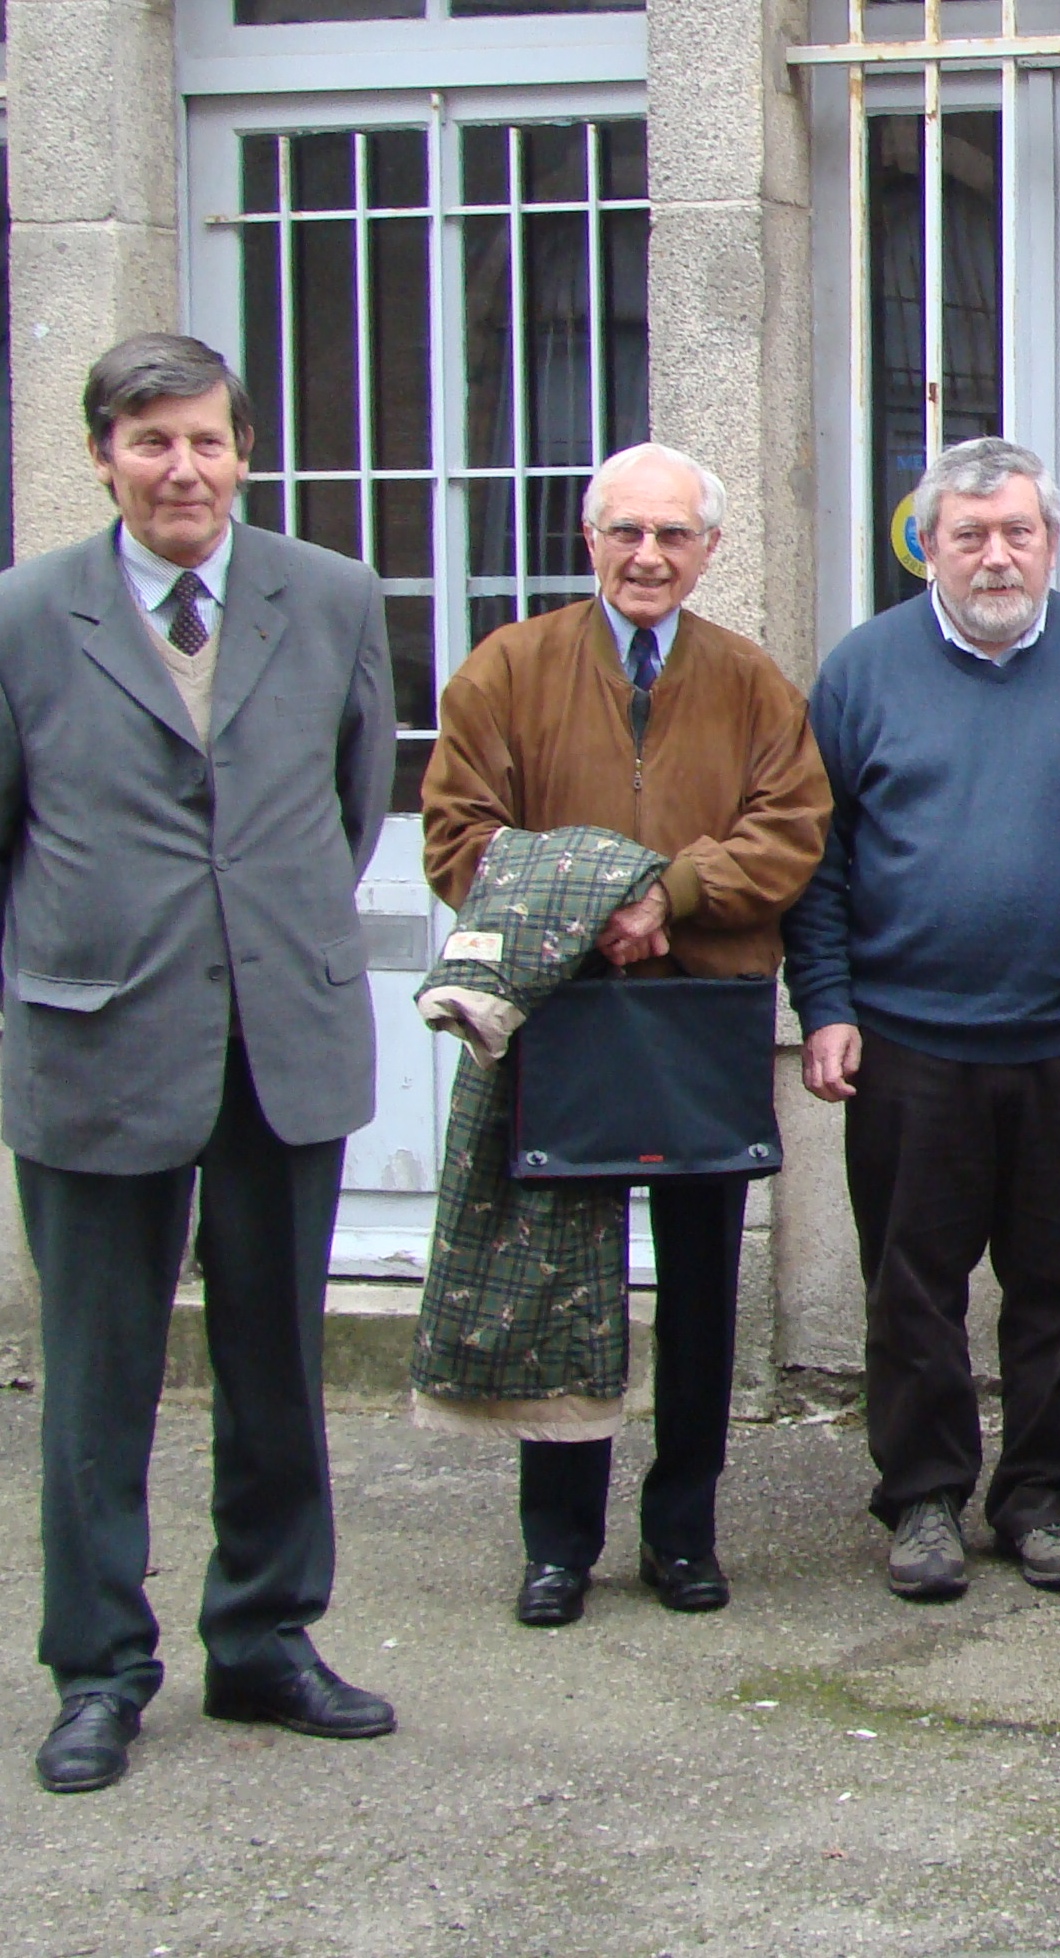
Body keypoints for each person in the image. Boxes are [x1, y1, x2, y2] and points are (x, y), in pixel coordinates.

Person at [5, 334, 399, 1793]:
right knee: (98, 1378)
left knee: (276, 1360)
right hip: (97, 1039)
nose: (184, 470)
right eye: (151, 440)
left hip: (278, 1037)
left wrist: (255, 939)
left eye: (208, 442)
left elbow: (350, 807)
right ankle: (98, 1666)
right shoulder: (26, 615)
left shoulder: (334, 595)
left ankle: (265, 1638)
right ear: (102, 452)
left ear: (246, 452)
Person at [786, 437, 1060, 1601]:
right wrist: (824, 1006)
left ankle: (1044, 1497)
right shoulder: (861, 672)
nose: (996, 553)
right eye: (968, 533)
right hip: (909, 1041)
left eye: (1017, 530)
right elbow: (816, 869)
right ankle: (921, 1496)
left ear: (1051, 540)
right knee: (911, 1286)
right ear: (931, 543)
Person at [422, 441, 830, 1627]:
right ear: (587, 540)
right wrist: (596, 903)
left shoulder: (753, 680)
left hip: (698, 1015)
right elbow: (458, 835)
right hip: (564, 1016)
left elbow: (791, 830)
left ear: (709, 551)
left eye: (673, 536)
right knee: (563, 1281)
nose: (647, 556)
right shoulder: (507, 668)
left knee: (702, 1286)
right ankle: (558, 1544)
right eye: (625, 533)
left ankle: (684, 1532)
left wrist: (673, 897)